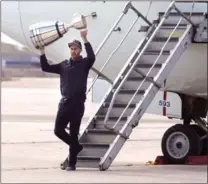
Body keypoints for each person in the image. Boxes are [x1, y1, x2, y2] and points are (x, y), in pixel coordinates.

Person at [39, 30, 95, 171]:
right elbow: (46, 67)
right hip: (64, 104)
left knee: (74, 132)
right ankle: (76, 147)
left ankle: (72, 164)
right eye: (71, 48)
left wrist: (85, 38)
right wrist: (42, 52)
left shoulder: (84, 64)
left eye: (75, 48)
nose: (73, 50)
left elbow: (92, 57)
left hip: (77, 105)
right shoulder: (64, 65)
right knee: (58, 130)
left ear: (80, 50)